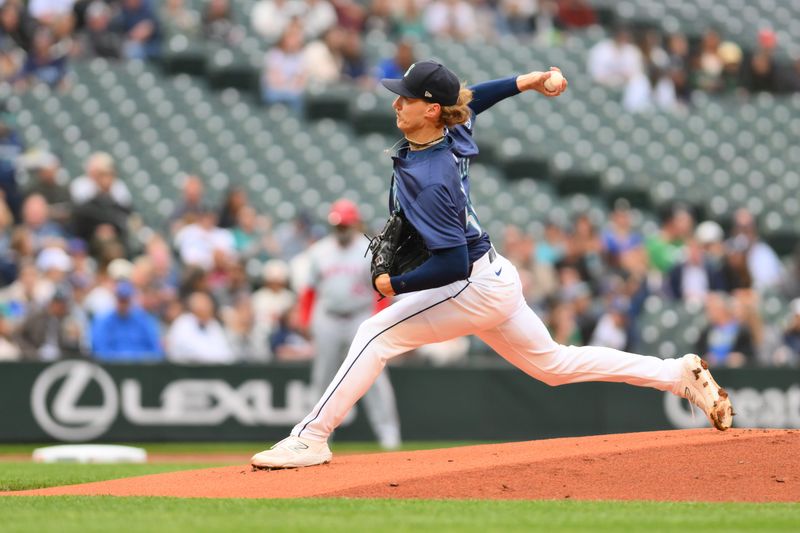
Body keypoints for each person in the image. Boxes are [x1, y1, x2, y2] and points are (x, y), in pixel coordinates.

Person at [250, 59, 733, 469]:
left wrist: (394, 283)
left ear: (431, 110)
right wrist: (528, 80)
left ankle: (311, 437)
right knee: (555, 365)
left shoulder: (432, 176)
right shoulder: (452, 125)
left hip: (471, 283)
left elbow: (453, 264)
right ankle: (676, 375)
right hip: (494, 277)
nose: (397, 103)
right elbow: (473, 98)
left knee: (374, 335)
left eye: (407, 98)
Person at [297, 199, 401, 449]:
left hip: (359, 316)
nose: (341, 230)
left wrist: (377, 320)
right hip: (328, 317)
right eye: (337, 226)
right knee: (322, 378)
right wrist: (305, 318)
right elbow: (310, 290)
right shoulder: (320, 251)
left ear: (355, 224)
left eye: (345, 225)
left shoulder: (368, 249)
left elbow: (382, 289)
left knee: (374, 376)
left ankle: (389, 435)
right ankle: (316, 437)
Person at [91, 280, 163, 362]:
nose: (123, 304)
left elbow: (155, 351)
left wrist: (137, 359)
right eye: (121, 300)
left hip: (141, 369)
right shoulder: (103, 320)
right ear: (115, 298)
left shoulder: (144, 320)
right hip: (113, 369)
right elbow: (100, 351)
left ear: (131, 299)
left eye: (126, 300)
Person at [166, 291, 235, 364]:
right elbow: (188, 351)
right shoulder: (183, 322)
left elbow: (225, 352)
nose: (207, 307)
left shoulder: (213, 324)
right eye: (204, 303)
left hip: (214, 370)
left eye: (208, 304)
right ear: (193, 307)